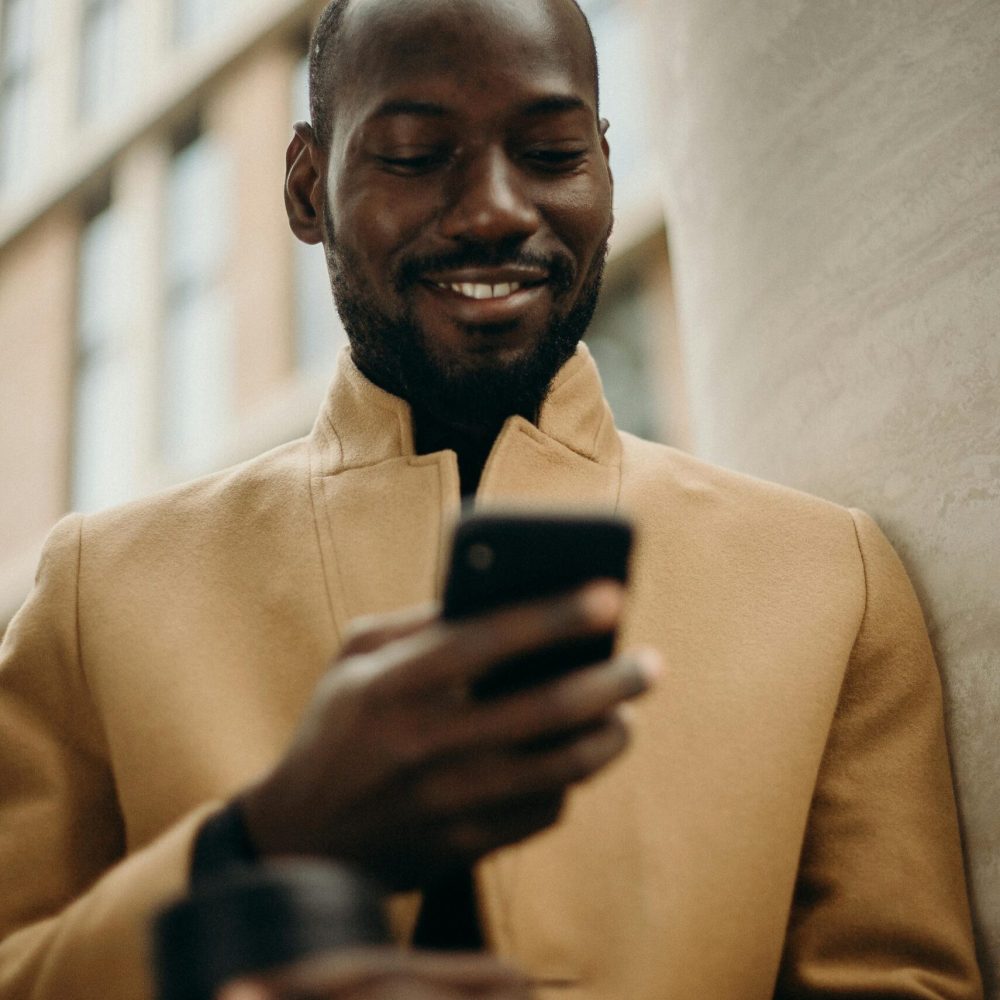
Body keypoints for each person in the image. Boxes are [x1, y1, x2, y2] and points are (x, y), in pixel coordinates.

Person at [0, 0, 983, 998]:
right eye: (416, 156)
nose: (494, 211)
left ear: (606, 170)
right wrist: (257, 846)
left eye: (552, 154)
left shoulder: (828, 578)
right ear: (307, 188)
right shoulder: (97, 592)